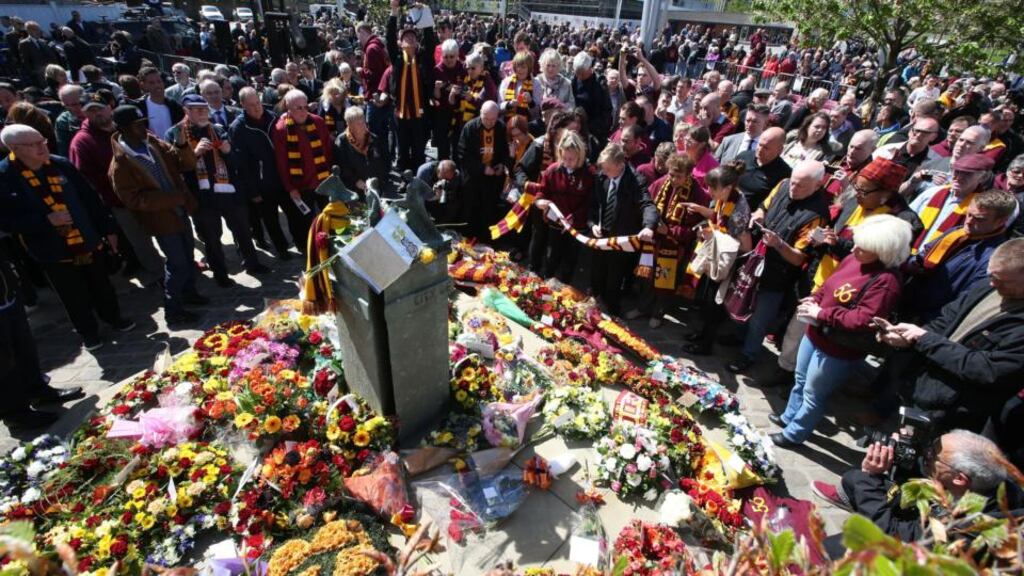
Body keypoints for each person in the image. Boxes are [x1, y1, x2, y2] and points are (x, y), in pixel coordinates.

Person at [770, 215, 911, 447]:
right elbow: (829, 285)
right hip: (816, 333)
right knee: (800, 379)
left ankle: (794, 434)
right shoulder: (854, 259)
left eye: (862, 247)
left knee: (814, 393)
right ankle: (789, 416)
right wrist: (814, 299)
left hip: (839, 348)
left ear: (883, 252)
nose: (854, 249)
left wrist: (821, 313)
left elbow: (863, 319)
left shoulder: (886, 281)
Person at [0, 124, 133, 350]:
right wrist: (45, 220)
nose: (43, 147)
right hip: (52, 249)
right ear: (14, 148)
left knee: (101, 283)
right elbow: (7, 221)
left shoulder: (60, 164)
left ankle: (113, 317)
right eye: (34, 144)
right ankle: (88, 332)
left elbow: (90, 198)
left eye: (43, 141)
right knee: (72, 294)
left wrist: (107, 229)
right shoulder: (5, 176)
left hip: (86, 239)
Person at [873, 238, 1024, 437]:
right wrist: (908, 338)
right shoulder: (986, 288)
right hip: (921, 387)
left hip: (952, 413)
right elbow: (945, 321)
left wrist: (924, 339)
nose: (992, 283)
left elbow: (987, 370)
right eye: (991, 275)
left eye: (1002, 280)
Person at [812, 430, 1024, 550]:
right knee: (854, 479)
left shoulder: (966, 530)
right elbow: (926, 476)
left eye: (933, 454)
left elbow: (890, 535)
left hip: (925, 559)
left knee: (831, 549)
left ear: (959, 479)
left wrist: (871, 477)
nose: (926, 455)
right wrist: (906, 453)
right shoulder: (992, 481)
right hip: (928, 523)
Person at [109, 105, 210, 325]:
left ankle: (189, 293)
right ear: (124, 129)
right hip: (162, 221)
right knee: (176, 263)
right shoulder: (121, 163)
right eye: (137, 125)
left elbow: (185, 163)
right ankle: (173, 310)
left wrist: (182, 145)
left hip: (181, 211)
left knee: (187, 257)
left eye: (144, 123)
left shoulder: (154, 143)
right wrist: (172, 199)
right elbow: (134, 200)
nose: (143, 128)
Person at [728, 160, 831, 373]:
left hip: (778, 274)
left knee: (760, 319)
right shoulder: (783, 184)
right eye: (793, 182)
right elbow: (763, 207)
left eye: (801, 185)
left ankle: (749, 354)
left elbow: (799, 258)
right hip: (756, 261)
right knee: (743, 301)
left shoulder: (817, 215)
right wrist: (758, 216)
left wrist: (779, 244)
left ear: (817, 185)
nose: (794, 188)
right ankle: (737, 337)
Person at [169, 94, 270, 286]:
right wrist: (194, 154)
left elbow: (237, 162)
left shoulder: (217, 129)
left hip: (229, 192)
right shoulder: (176, 134)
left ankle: (252, 263)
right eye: (198, 110)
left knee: (243, 230)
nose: (203, 113)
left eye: (205, 109)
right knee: (212, 238)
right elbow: (176, 167)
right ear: (186, 111)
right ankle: (221, 274)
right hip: (202, 197)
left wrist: (228, 152)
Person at [901, 191, 1016, 323]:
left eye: (979, 219)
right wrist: (913, 264)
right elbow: (923, 255)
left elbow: (966, 300)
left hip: (928, 320)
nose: (969, 221)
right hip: (906, 303)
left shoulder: (994, 258)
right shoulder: (956, 233)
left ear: (1001, 221)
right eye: (969, 214)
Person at [680, 161, 753, 355]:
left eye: (713, 188)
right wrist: (700, 209)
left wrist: (714, 236)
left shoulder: (739, 210)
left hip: (726, 264)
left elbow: (744, 244)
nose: (709, 191)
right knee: (705, 300)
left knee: (714, 305)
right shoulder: (725, 197)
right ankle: (701, 333)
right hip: (715, 256)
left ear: (727, 188)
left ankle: (706, 345)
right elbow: (717, 216)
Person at [629, 152, 710, 324]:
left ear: (688, 175)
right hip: (652, 242)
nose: (672, 179)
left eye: (678, 177)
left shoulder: (698, 195)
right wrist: (650, 223)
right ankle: (642, 307)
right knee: (646, 277)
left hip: (675, 247)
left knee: (666, 281)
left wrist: (670, 231)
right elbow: (646, 206)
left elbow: (697, 229)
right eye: (671, 174)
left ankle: (658, 313)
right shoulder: (659, 184)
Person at [588, 143, 657, 315]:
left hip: (621, 238)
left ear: (620, 165)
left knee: (614, 277)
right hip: (601, 235)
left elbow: (647, 204)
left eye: (608, 169)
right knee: (597, 272)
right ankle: (594, 305)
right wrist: (593, 224)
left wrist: (649, 226)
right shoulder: (602, 176)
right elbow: (594, 204)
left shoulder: (635, 180)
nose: (604, 172)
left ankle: (612, 311)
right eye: (603, 168)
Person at [228, 87, 293, 260]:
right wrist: (253, 192)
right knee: (271, 219)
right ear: (242, 105)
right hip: (262, 183)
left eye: (258, 103)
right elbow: (242, 165)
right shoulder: (238, 128)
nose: (257, 107)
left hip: (282, 177)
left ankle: (301, 242)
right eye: (251, 105)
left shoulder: (272, 117)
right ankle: (282, 249)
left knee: (293, 213)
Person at [271, 89, 333, 254]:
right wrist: (291, 188)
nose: (303, 111)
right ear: (288, 107)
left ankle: (331, 246)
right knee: (305, 221)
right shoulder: (281, 129)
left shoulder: (318, 122)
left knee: (329, 216)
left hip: (323, 180)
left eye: (305, 107)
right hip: (301, 185)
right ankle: (309, 250)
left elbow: (328, 151)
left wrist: (331, 177)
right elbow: (281, 163)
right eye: (298, 108)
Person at [528, 130, 592, 283]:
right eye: (564, 158)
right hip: (556, 223)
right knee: (551, 256)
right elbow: (542, 191)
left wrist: (575, 217)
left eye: (572, 159)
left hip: (577, 227)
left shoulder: (588, 173)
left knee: (570, 261)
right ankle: (547, 283)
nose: (567, 162)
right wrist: (539, 201)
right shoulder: (553, 170)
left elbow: (590, 202)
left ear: (580, 156)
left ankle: (565, 288)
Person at [382, 0, 437, 171]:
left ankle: (419, 178)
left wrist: (425, 13)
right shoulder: (397, 59)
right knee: (403, 150)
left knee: (419, 150)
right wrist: (394, 12)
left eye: (413, 36)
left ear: (417, 42)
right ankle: (405, 178)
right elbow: (389, 38)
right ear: (401, 43)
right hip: (401, 113)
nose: (410, 37)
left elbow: (430, 41)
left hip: (420, 114)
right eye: (406, 36)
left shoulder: (423, 59)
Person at [909, 153, 994, 252]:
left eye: (967, 174)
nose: (958, 177)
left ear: (983, 178)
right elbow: (906, 219)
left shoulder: (981, 208)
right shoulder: (933, 193)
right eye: (956, 171)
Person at [459, 101, 509, 239]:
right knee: (471, 206)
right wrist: (482, 168)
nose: (490, 123)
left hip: (493, 175)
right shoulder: (470, 128)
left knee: (489, 208)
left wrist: (502, 164)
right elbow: (463, 154)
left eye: (493, 119)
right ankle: (468, 237)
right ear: (480, 113)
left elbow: (505, 151)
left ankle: (487, 238)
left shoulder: (501, 127)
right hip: (474, 175)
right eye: (486, 119)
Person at [448, 51, 496, 161]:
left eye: (473, 68)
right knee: (457, 155)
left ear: (481, 67)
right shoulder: (464, 79)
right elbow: (453, 104)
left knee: (472, 157)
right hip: (460, 124)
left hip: (477, 127)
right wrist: (452, 95)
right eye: (468, 68)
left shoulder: (488, 82)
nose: (470, 71)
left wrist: (472, 99)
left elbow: (489, 105)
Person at [333, 106, 388, 199]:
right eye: (358, 123)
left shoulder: (373, 138)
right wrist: (356, 180)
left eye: (363, 121)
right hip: (353, 190)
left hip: (375, 186)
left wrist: (382, 183)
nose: (363, 125)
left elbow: (385, 161)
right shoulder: (342, 142)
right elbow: (342, 166)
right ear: (350, 125)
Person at [735, 126, 791, 209]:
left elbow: (775, 202)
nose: (760, 150)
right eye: (760, 144)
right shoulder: (744, 156)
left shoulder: (784, 174)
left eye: (766, 148)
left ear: (780, 150)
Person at [431, 39, 467, 162]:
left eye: (452, 56)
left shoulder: (463, 68)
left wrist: (452, 89)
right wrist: (437, 88)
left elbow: (466, 89)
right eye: (445, 56)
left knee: (458, 145)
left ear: (457, 55)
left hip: (459, 112)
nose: (449, 60)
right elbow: (435, 97)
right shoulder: (437, 70)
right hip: (443, 113)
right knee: (443, 146)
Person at [823, 129, 878, 200]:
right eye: (851, 146)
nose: (852, 151)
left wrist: (847, 186)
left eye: (858, 149)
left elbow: (861, 202)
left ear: (873, 150)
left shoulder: (869, 176)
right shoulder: (835, 159)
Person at [136, 66, 184, 141]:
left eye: (159, 81)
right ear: (143, 85)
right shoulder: (140, 107)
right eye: (152, 83)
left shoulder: (174, 106)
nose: (157, 85)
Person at [571, 52, 610, 143]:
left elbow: (606, 110)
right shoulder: (574, 80)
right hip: (576, 125)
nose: (580, 76)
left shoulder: (600, 83)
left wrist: (594, 128)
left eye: (582, 73)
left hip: (594, 128)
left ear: (590, 69)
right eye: (577, 73)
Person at [415, 158, 460, 224]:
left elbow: (453, 193)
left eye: (448, 179)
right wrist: (435, 196)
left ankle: (443, 223)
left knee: (454, 204)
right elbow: (420, 195)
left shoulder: (455, 174)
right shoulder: (424, 172)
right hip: (428, 197)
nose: (445, 181)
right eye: (443, 177)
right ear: (438, 171)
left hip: (442, 197)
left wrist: (446, 191)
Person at [682, 125, 719, 195]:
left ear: (702, 144)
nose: (686, 143)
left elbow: (712, 194)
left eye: (690, 142)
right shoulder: (679, 156)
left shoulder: (713, 166)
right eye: (685, 140)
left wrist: (692, 186)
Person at [53, 84, 85, 157]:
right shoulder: (63, 121)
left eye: (75, 104)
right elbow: (64, 150)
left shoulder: (96, 111)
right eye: (67, 105)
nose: (72, 108)